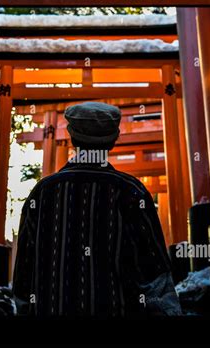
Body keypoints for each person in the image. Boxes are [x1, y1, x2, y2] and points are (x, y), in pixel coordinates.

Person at [13, 102, 181, 316]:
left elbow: (24, 271)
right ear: (113, 141)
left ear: (72, 138)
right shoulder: (130, 191)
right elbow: (154, 272)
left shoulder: (43, 192)